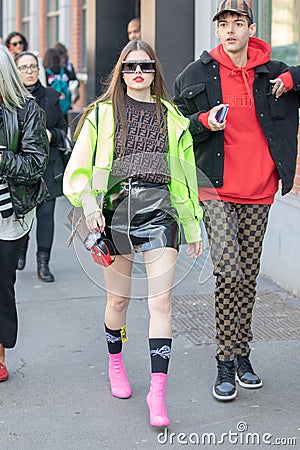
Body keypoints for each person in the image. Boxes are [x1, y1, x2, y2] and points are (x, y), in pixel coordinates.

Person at [63, 40, 202, 427]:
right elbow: (77, 172)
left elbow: (186, 178)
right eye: (129, 66)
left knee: (161, 304)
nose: (137, 72)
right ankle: (115, 361)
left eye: (145, 65)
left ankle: (157, 393)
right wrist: (90, 205)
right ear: (120, 72)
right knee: (119, 302)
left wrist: (192, 226)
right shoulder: (100, 115)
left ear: (155, 71)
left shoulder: (173, 118)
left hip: (161, 213)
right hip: (114, 212)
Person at [173, 0, 300, 401]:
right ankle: (225, 362)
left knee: (247, 276)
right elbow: (175, 125)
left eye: (238, 23)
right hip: (216, 188)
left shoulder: (273, 73)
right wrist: (203, 121)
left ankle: (242, 354)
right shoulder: (197, 73)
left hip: (259, 190)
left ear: (251, 27)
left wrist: (293, 79)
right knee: (228, 271)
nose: (230, 30)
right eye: (223, 24)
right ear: (216, 30)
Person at [0, 44, 49, 381]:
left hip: (8, 214)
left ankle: (0, 353)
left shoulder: (26, 110)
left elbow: (34, 164)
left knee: (1, 283)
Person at [15, 51, 68, 282]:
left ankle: (43, 262)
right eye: (24, 67)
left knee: (46, 215)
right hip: (20, 166)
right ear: (16, 71)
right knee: (24, 212)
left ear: (39, 69)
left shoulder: (52, 97)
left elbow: (63, 132)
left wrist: (50, 134)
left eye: (33, 67)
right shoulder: (10, 99)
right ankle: (21, 249)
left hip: (48, 165)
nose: (29, 71)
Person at [43, 47, 73, 122]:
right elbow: (74, 82)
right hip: (65, 105)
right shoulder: (64, 70)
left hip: (51, 106)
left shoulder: (45, 73)